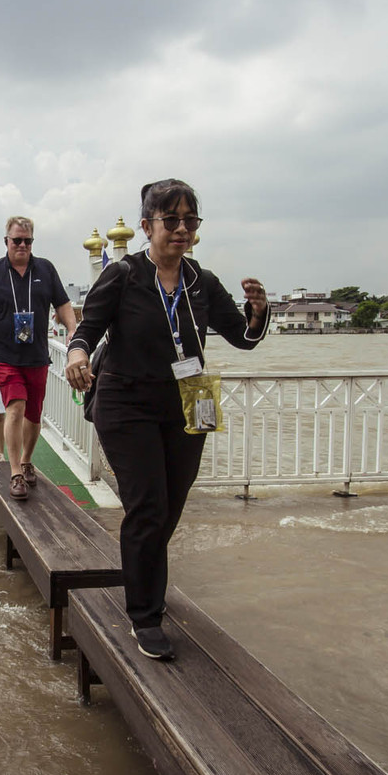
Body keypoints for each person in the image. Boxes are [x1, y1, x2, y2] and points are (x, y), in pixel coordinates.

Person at [65, 179, 269, 661]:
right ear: (146, 227)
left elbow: (242, 337)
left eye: (189, 221)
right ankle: (145, 615)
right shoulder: (124, 275)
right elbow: (87, 329)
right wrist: (76, 354)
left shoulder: (202, 282)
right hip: (126, 401)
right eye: (170, 220)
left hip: (185, 404)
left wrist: (258, 312)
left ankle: (146, 582)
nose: (181, 229)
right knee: (149, 507)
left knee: (170, 508)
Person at [0, 216, 76, 500]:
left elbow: (62, 304)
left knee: (34, 415)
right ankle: (14, 473)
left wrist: (73, 329)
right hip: (5, 356)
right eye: (17, 240)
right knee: (15, 407)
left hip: (37, 356)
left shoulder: (45, 269)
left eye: (27, 240)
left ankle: (26, 460)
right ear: (6, 242)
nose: (22, 245)